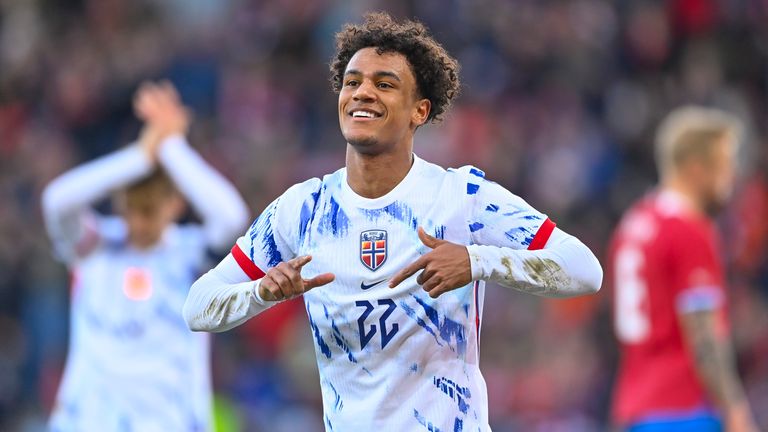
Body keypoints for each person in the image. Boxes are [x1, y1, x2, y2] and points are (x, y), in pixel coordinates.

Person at [183, 13, 602, 431]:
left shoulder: (461, 196)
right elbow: (198, 306)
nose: (363, 93)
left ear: (420, 110)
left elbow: (584, 269)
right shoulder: (304, 208)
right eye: (352, 82)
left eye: (384, 84)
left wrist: (477, 262)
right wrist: (261, 292)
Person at [42, 82, 249, 432]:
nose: (137, 220)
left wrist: (171, 147)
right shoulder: (94, 247)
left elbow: (232, 217)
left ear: (176, 204)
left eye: (149, 210)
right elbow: (56, 201)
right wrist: (140, 156)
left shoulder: (192, 256)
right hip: (89, 422)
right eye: (131, 207)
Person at [609, 107, 759, 432]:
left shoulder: (635, 223)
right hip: (684, 408)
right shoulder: (690, 230)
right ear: (695, 169)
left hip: (636, 406)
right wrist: (735, 409)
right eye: (724, 165)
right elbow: (703, 335)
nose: (732, 177)